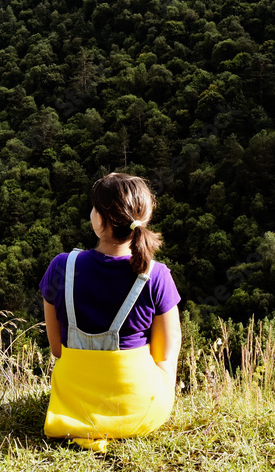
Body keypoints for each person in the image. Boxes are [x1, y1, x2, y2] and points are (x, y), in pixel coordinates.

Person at [39, 171, 181, 452]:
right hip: (140, 410)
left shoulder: (61, 267)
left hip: (73, 409)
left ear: (100, 219)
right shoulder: (157, 275)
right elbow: (164, 356)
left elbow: (57, 349)